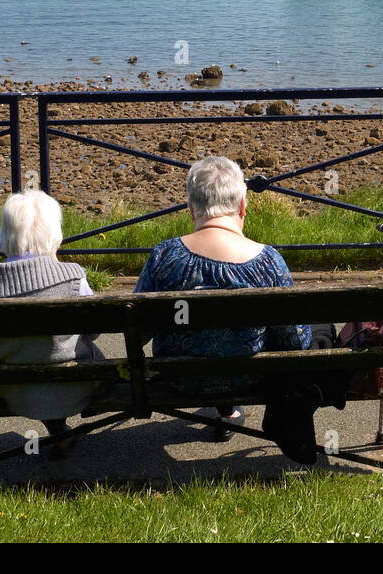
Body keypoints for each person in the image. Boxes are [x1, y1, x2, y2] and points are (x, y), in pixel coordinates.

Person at [135, 155, 322, 463]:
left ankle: (225, 409)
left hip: (180, 380)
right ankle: (229, 409)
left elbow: (139, 330)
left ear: (191, 208)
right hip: (251, 378)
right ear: (242, 206)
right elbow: (294, 343)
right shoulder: (269, 262)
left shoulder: (163, 258)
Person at [0, 190, 102, 459]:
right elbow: (93, 332)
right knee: (62, 353)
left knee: (34, 354)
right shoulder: (73, 276)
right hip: (74, 386)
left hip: (7, 389)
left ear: (5, 232)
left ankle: (58, 431)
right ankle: (59, 430)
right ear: (54, 233)